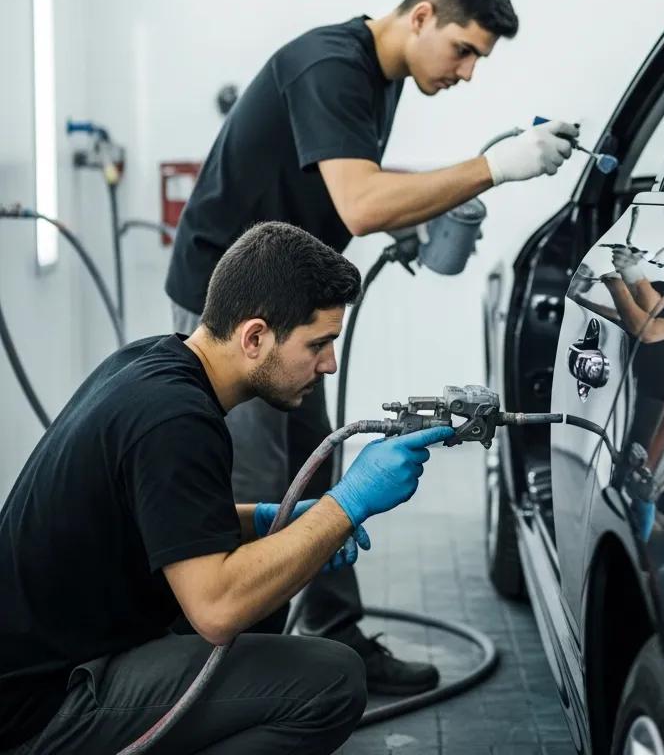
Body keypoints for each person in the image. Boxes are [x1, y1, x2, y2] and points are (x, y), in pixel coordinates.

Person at [164, 0, 579, 692]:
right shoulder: (329, 65)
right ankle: (233, 682)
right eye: (464, 51)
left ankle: (333, 633)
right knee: (263, 482)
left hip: (286, 304)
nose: (467, 72)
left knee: (315, 462)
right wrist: (497, 166)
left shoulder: (378, 79)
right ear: (421, 16)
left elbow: (340, 188)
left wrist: (413, 218)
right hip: (233, 314)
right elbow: (359, 202)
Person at [0, 222, 454, 754]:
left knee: (267, 589)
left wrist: (265, 519)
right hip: (45, 705)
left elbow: (163, 514)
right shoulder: (176, 421)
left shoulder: (154, 364)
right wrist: (345, 504)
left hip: (41, 660)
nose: (329, 364)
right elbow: (216, 612)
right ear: (255, 337)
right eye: (319, 344)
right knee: (331, 681)